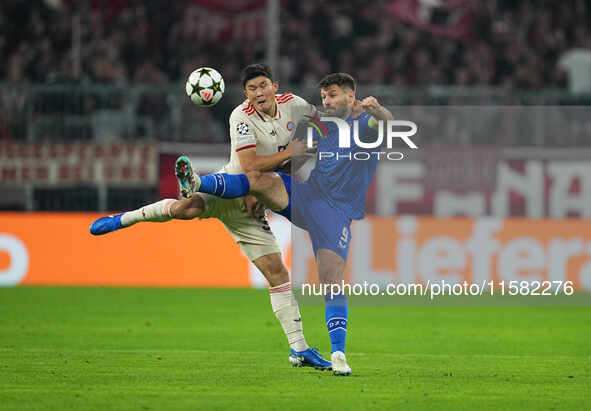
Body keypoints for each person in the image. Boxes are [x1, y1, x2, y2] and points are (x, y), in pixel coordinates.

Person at [89, 63, 331, 370]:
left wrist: (311, 145)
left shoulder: (293, 105)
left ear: (275, 86)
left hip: (252, 202)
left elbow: (322, 127)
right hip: (230, 186)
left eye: (263, 86)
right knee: (184, 209)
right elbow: (251, 164)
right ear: (245, 94)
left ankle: (299, 350)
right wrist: (291, 152)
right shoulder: (240, 116)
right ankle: (126, 217)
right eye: (252, 88)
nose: (259, 93)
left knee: (277, 273)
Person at [177, 73, 394, 376]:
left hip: (336, 214)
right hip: (308, 196)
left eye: (332, 95)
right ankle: (199, 181)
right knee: (257, 176)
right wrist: (260, 190)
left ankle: (339, 353)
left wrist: (378, 110)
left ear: (350, 95)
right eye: (323, 97)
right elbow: (295, 159)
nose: (326, 102)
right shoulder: (322, 125)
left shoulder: (364, 126)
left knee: (331, 279)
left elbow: (385, 123)